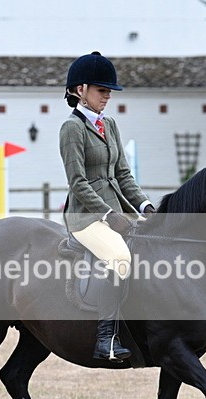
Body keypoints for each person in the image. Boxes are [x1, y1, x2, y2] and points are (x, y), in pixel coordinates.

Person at [59, 51, 156, 362]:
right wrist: (108, 216)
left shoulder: (109, 125)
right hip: (85, 218)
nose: (107, 97)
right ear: (80, 90)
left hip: (117, 211)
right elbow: (78, 182)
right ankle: (106, 340)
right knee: (118, 256)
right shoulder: (71, 129)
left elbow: (123, 174)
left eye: (109, 92)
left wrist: (145, 206)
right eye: (102, 91)